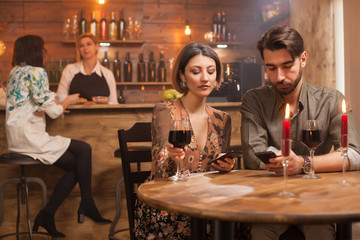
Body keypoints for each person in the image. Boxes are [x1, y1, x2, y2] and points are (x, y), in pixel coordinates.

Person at [240, 25, 360, 240]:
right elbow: (252, 155)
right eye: (271, 68)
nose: (279, 77)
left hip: (317, 199)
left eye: (287, 66)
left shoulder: (331, 100)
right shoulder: (254, 100)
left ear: (303, 59)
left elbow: (354, 154)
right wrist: (287, 162)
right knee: (260, 233)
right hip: (269, 200)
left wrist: (304, 163)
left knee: (321, 232)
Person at [134, 42, 249, 239]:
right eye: (196, 71)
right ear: (182, 75)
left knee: (242, 220)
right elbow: (159, 170)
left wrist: (225, 165)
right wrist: (172, 157)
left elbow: (216, 170)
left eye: (211, 71)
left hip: (207, 201)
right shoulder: (165, 111)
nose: (205, 78)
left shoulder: (222, 120)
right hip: (169, 204)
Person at [5, 35, 111, 238]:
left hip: (16, 138)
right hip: (30, 137)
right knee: (84, 150)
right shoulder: (37, 72)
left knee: (76, 165)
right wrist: (67, 101)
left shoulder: (15, 72)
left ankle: (48, 214)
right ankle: (86, 204)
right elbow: (53, 111)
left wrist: (55, 103)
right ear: (37, 51)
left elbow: (37, 100)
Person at [56, 33, 118, 104]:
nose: (85, 48)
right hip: (75, 114)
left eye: (89, 44)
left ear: (97, 46)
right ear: (79, 49)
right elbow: (60, 98)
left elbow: (114, 103)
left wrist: (100, 104)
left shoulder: (108, 74)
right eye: (81, 46)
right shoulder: (70, 70)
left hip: (101, 114)